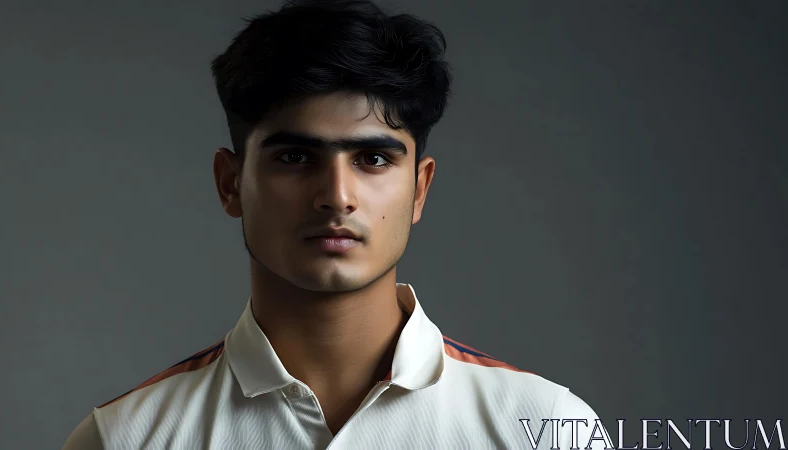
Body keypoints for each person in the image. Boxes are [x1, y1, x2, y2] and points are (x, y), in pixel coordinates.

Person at [63, 0, 608, 448]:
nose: (336, 197)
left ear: (420, 188)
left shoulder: (546, 428)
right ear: (230, 183)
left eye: (372, 160)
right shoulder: (123, 438)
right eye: (296, 158)